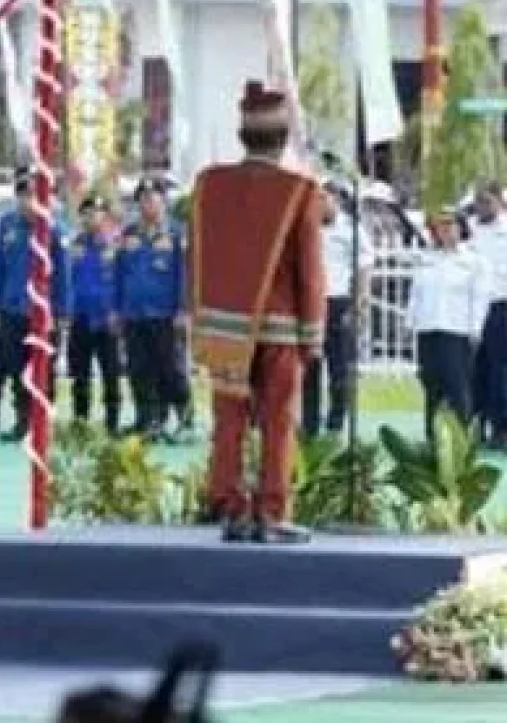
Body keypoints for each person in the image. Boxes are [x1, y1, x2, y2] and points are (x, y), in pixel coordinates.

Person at [191, 81, 326, 544]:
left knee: (229, 418)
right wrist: (314, 332)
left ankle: (228, 505)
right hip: (281, 328)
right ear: (284, 136)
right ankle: (270, 512)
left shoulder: (210, 185)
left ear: (242, 133)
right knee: (277, 419)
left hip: (223, 324)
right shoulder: (300, 190)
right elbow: (308, 266)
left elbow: (200, 254)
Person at [0, 168, 69, 443]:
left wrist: (62, 312)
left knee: (44, 369)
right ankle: (23, 419)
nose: (29, 201)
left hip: (44, 312)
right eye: (23, 195)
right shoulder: (5, 226)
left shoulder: (54, 229)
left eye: (33, 195)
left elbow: (63, 273)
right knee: (17, 368)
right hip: (12, 309)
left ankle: (44, 421)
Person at [115, 178, 191, 443]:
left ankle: (184, 417)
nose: (148, 204)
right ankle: (148, 419)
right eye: (143, 199)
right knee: (139, 368)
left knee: (170, 368)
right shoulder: (128, 236)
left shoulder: (176, 234)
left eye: (154, 199)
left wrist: (183, 309)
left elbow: (185, 275)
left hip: (166, 314)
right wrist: (116, 309)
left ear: (163, 202)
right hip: (134, 313)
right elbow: (119, 274)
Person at [302, 182, 373, 438]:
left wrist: (360, 301)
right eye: (318, 200)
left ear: (337, 202)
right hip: (311, 303)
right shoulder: (307, 226)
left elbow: (364, 266)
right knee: (310, 366)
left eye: (325, 199)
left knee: (339, 367)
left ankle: (335, 422)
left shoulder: (351, 230)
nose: (321, 204)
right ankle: (309, 424)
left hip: (338, 300)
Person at [407, 208, 487, 439]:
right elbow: (417, 292)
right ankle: (433, 438)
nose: (446, 230)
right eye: (441, 226)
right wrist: (411, 322)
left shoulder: (473, 262)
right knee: (431, 386)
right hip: (428, 328)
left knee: (458, 388)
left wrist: (476, 328)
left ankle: (461, 439)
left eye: (451, 225)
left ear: (461, 228)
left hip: (457, 330)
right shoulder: (427, 258)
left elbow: (479, 298)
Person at [469, 181, 507, 448]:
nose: (482, 207)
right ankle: (477, 422)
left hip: (502, 304)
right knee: (474, 367)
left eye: (487, 201)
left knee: (502, 369)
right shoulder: (469, 229)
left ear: (499, 201)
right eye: (478, 201)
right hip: (473, 305)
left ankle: (503, 426)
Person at [68, 195, 121, 434]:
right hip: (80, 318)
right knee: (80, 374)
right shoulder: (74, 245)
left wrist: (115, 311)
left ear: (105, 216)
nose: (92, 218)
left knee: (110, 372)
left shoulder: (115, 245)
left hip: (106, 319)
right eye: (87, 213)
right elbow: (68, 281)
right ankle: (81, 420)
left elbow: (121, 282)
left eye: (97, 212)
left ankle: (112, 422)